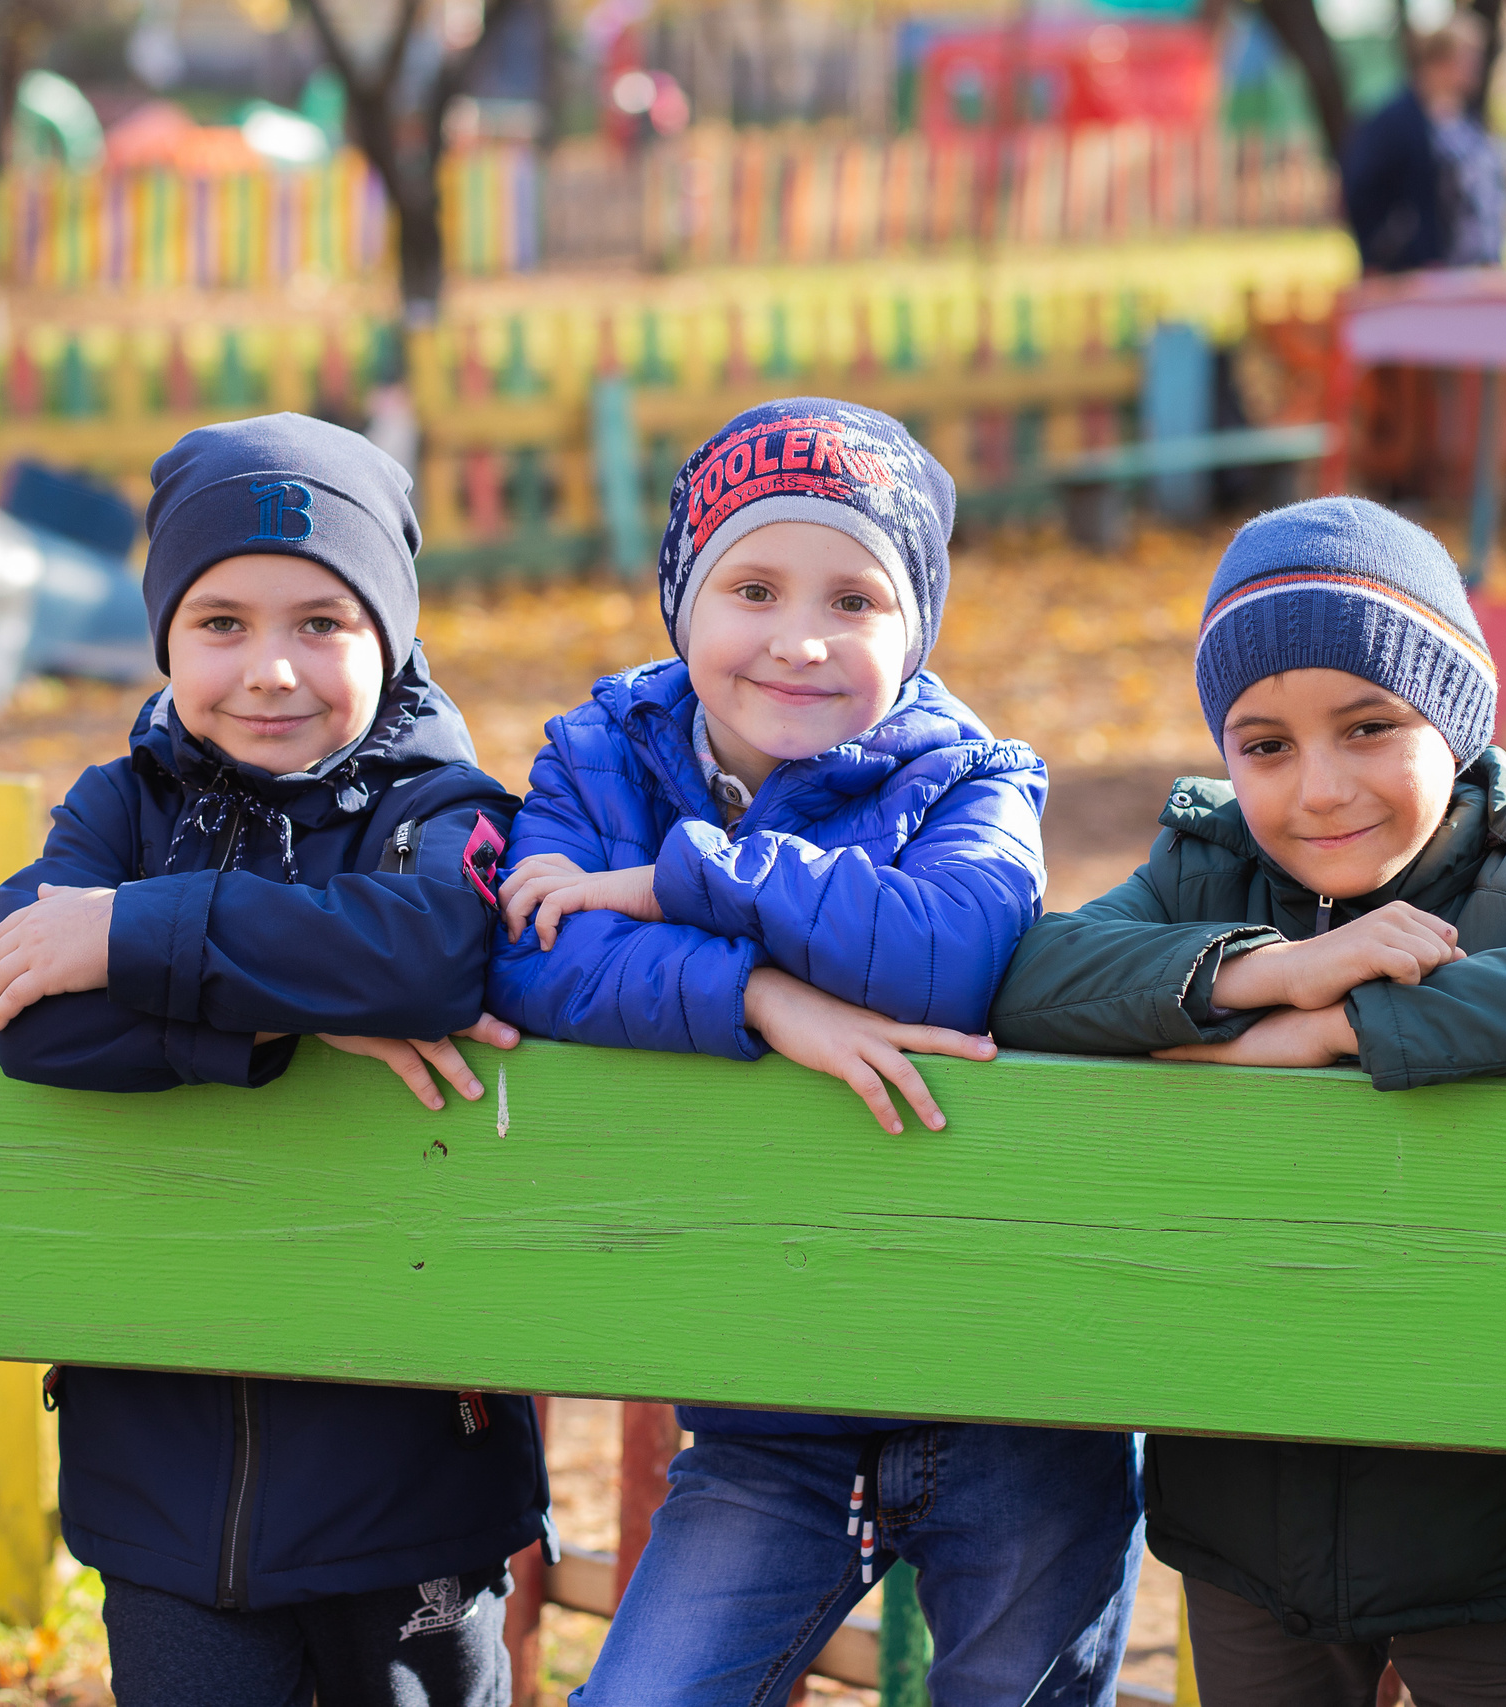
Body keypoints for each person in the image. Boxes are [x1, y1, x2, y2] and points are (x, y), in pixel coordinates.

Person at [487, 399, 1141, 1706]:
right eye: (754, 589)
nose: (800, 638)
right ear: (683, 600)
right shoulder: (601, 756)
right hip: (771, 1394)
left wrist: (680, 880)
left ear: (916, 627)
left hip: (1008, 1389)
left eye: (855, 599)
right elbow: (530, 954)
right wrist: (760, 997)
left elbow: (946, 951)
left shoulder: (968, 776)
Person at [990, 497, 1506, 1706]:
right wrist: (1274, 973)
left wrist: (1333, 1028)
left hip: (1486, 1512)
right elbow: (1035, 977)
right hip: (1246, 1506)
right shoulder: (1207, 866)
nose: (1319, 789)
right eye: (1264, 746)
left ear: (1455, 721)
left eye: (1369, 728)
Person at [0, 414, 550, 1706]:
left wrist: (132, 934)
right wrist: (282, 1016)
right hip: (161, 1473)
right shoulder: (119, 806)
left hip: (405, 1471)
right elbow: (26, 1011)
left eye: (321, 622)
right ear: (165, 637)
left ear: (389, 634)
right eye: (221, 622)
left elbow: (428, 957)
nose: (270, 669)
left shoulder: (436, 804)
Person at [1344, 18, 1506, 274]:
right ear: (1439, 62)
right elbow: (1361, 191)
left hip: (1474, 269)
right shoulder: (1395, 122)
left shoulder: (1467, 120)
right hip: (1417, 273)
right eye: (1468, 58)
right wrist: (1397, 245)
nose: (1477, 67)